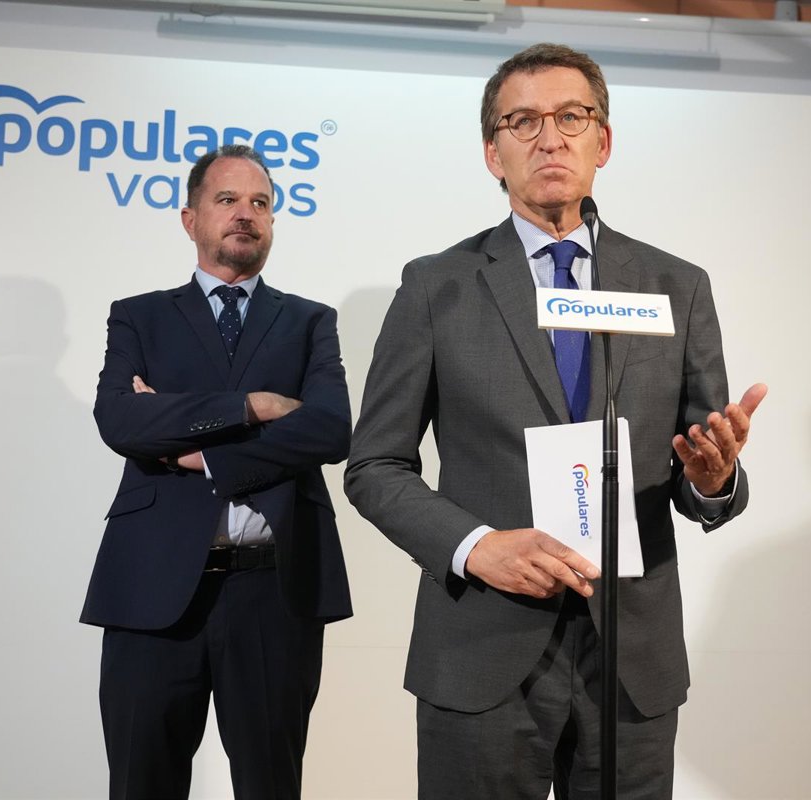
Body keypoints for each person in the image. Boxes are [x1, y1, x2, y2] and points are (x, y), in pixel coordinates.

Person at [344, 43, 765, 799]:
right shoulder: (437, 287)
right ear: (492, 153)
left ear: (603, 141)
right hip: (483, 642)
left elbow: (701, 468)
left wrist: (713, 480)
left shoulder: (676, 286)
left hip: (630, 655)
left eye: (572, 117)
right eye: (524, 121)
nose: (550, 138)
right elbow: (375, 468)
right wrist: (477, 547)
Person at [81, 144, 352, 799]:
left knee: (270, 785)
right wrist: (254, 406)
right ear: (191, 219)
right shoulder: (139, 315)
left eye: (260, 203)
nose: (245, 214)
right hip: (150, 588)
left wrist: (202, 451)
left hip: (274, 591)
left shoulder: (310, 321)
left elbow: (329, 430)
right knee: (142, 783)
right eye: (227, 200)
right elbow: (121, 421)